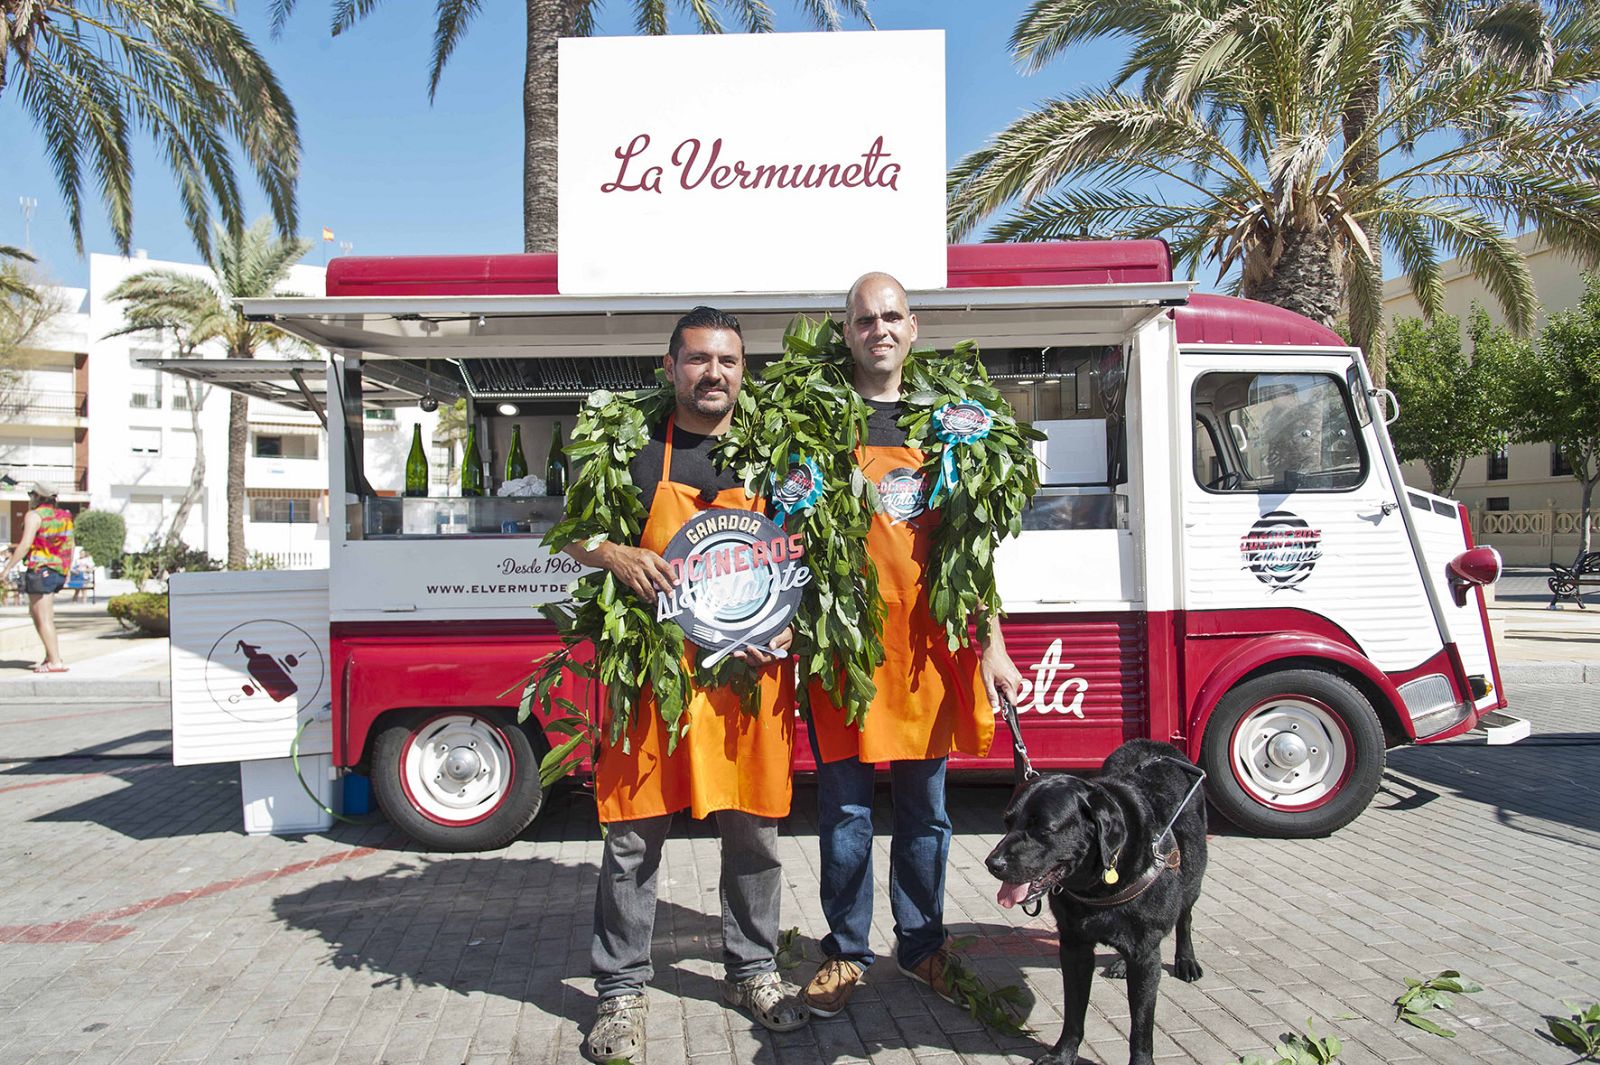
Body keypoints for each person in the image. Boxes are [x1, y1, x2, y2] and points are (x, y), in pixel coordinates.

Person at [561, 307, 806, 1063]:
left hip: (748, 678)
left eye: (728, 360)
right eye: (699, 359)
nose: (714, 373)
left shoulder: (777, 452)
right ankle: (621, 990)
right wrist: (614, 554)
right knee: (633, 837)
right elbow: (571, 531)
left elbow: (814, 548)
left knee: (755, 835)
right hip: (655, 679)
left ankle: (753, 969)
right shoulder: (632, 448)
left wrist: (796, 614)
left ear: (743, 369)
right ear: (670, 367)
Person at [801, 272, 1025, 1016]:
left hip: (930, 653)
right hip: (846, 652)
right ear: (847, 331)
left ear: (914, 325)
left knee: (927, 811)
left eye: (891, 315)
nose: (880, 329)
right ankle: (846, 950)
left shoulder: (952, 421)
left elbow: (974, 550)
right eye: (865, 319)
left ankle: (924, 945)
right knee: (845, 814)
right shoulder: (816, 421)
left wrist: (992, 645)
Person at [0, 482, 76, 673]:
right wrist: (65, 570)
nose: (30, 498)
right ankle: (50, 656)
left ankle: (55, 661)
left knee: (42, 618)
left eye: (31, 494)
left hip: (41, 569)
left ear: (38, 496)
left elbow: (25, 545)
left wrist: (7, 569)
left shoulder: (35, 516)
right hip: (57, 570)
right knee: (43, 616)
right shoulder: (65, 516)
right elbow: (71, 545)